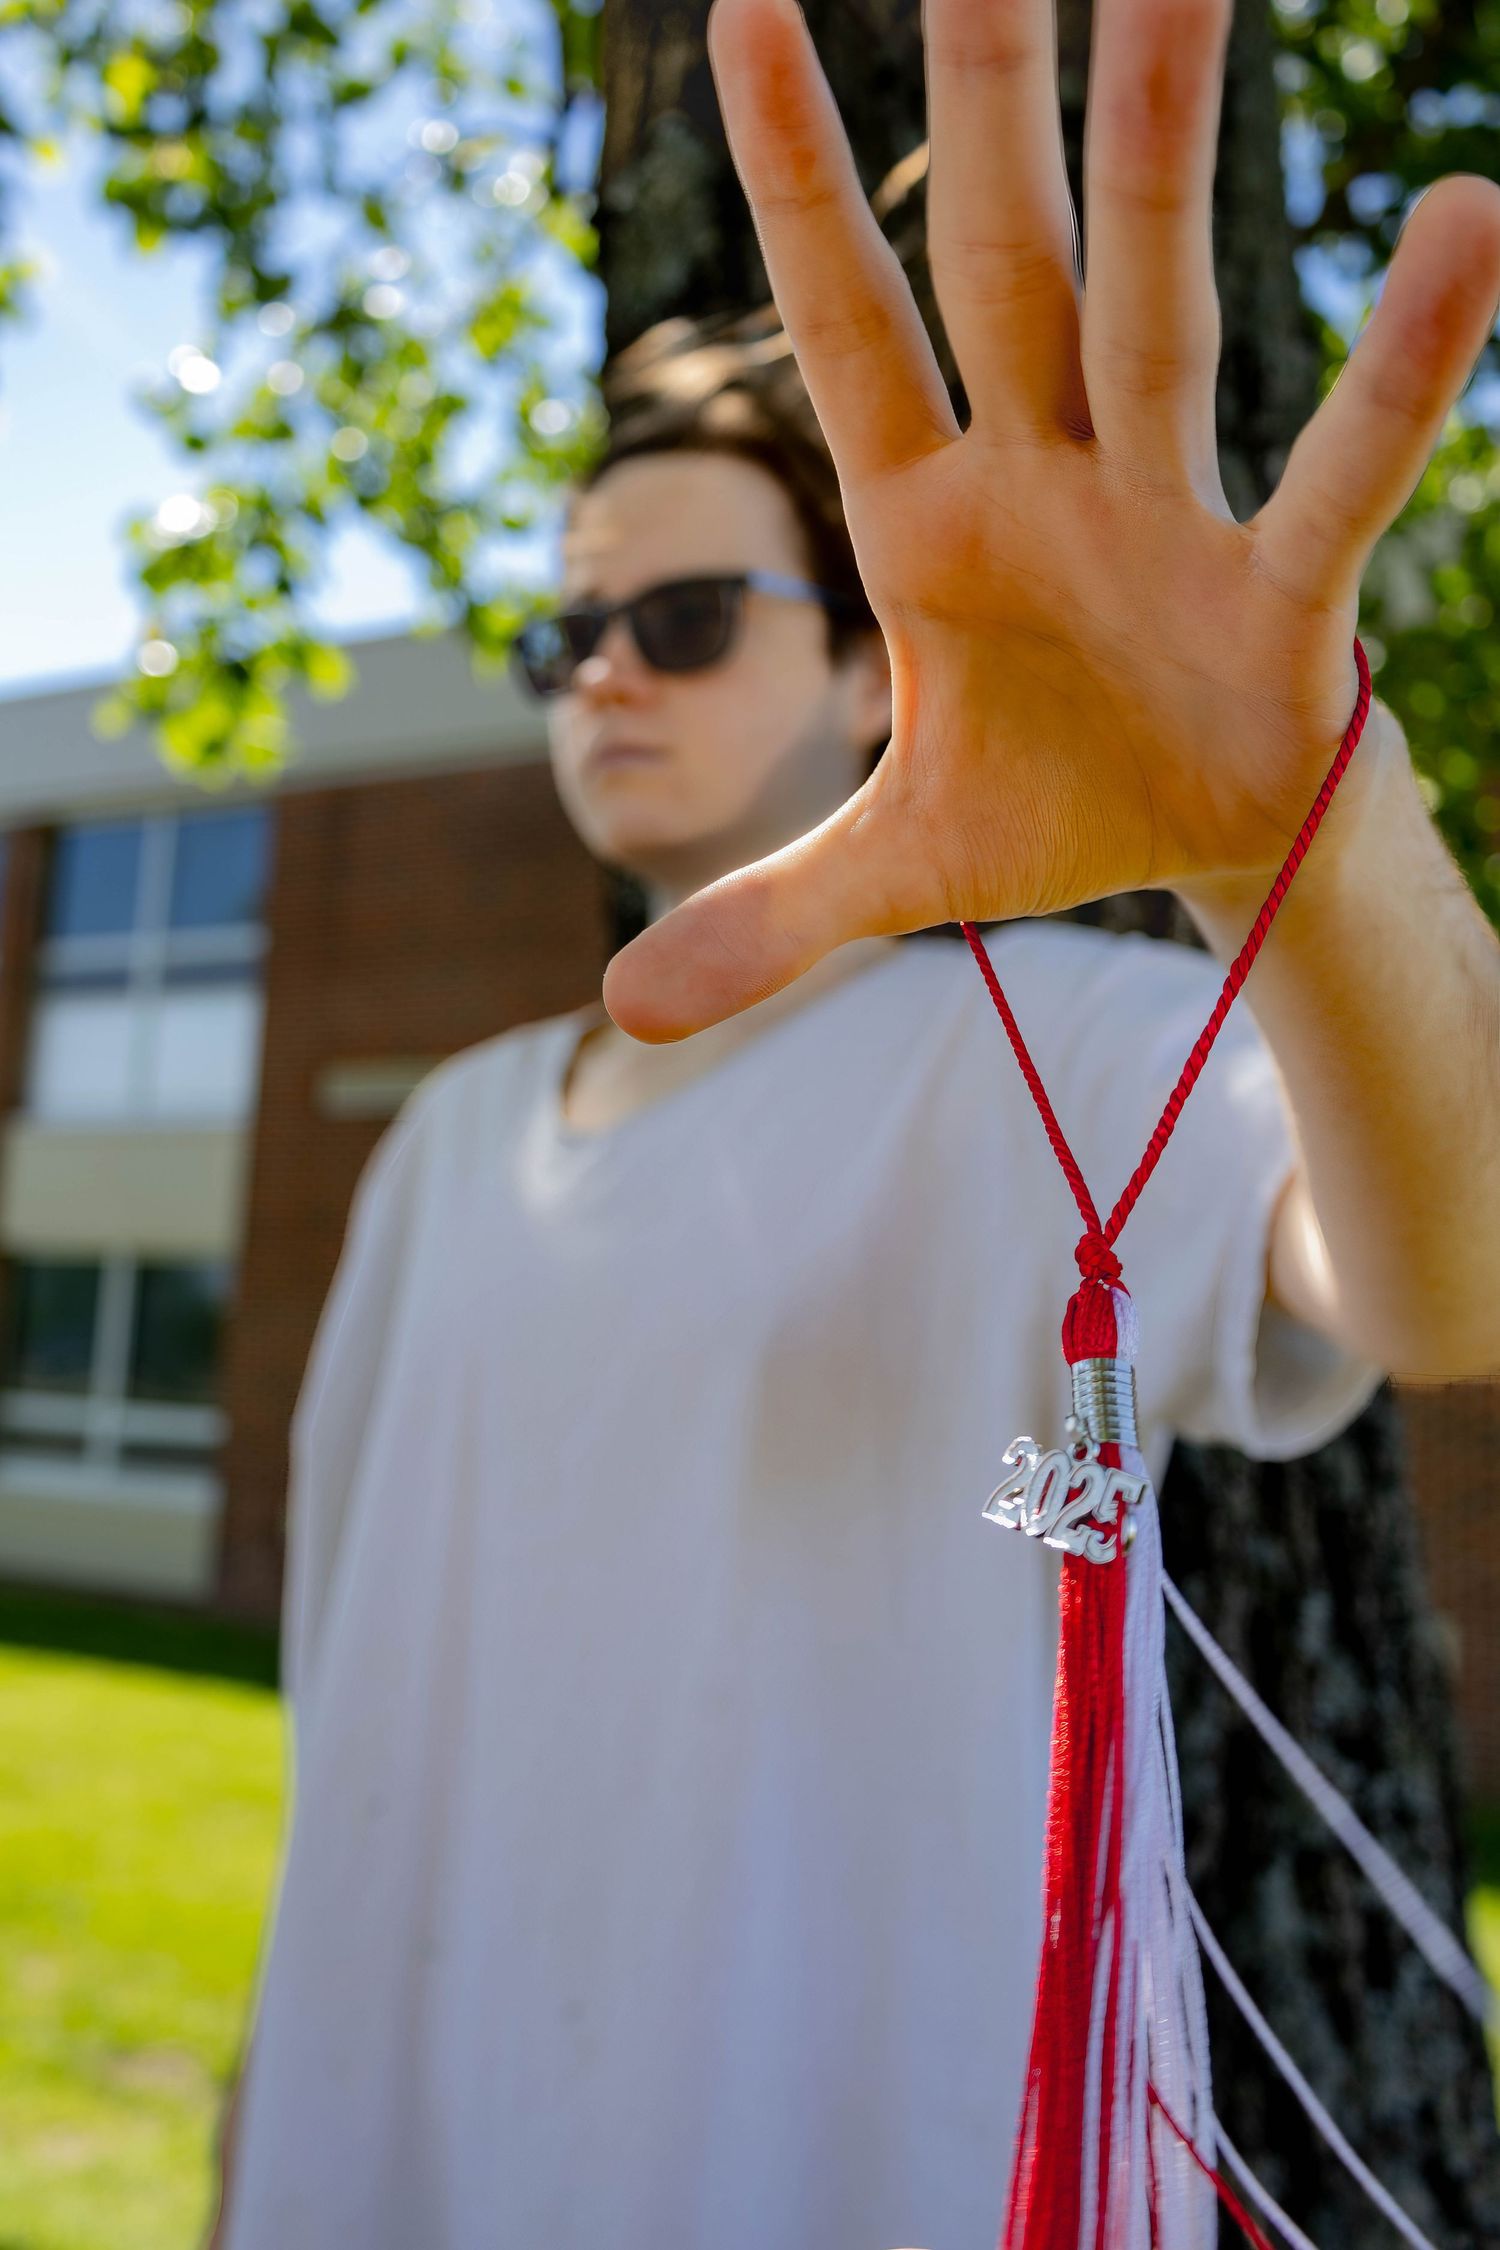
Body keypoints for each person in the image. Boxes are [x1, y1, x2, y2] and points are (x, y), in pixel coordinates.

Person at [210, 0, 1500, 2244]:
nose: (605, 669)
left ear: (861, 665)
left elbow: (1443, 1281)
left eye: (688, 616)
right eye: (570, 630)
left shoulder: (1050, 1049)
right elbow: (352, 1690)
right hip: (391, 2151)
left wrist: (1307, 844)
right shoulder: (449, 1137)